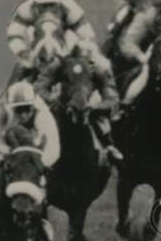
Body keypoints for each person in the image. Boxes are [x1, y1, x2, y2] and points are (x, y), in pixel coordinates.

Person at [0, 81, 60, 241]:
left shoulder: (43, 114)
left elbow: (53, 148)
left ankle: (42, 220)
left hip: (32, 152)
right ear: (10, 108)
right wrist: (9, 152)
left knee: (42, 182)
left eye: (26, 109)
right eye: (18, 110)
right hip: (5, 148)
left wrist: (36, 161)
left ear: (33, 107)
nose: (23, 115)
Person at [34, 37, 124, 166]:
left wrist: (96, 106)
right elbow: (38, 87)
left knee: (101, 125)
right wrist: (52, 98)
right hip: (62, 107)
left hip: (90, 111)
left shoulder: (100, 68)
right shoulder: (60, 64)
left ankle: (107, 149)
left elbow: (112, 99)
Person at [6, 0, 97, 76]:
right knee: (18, 75)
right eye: (43, 5)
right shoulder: (27, 8)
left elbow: (87, 36)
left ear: (59, 2)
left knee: (101, 69)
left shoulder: (71, 9)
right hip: (34, 51)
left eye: (52, 5)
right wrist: (24, 52)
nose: (48, 10)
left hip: (67, 50)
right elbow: (14, 33)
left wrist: (81, 55)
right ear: (36, 2)